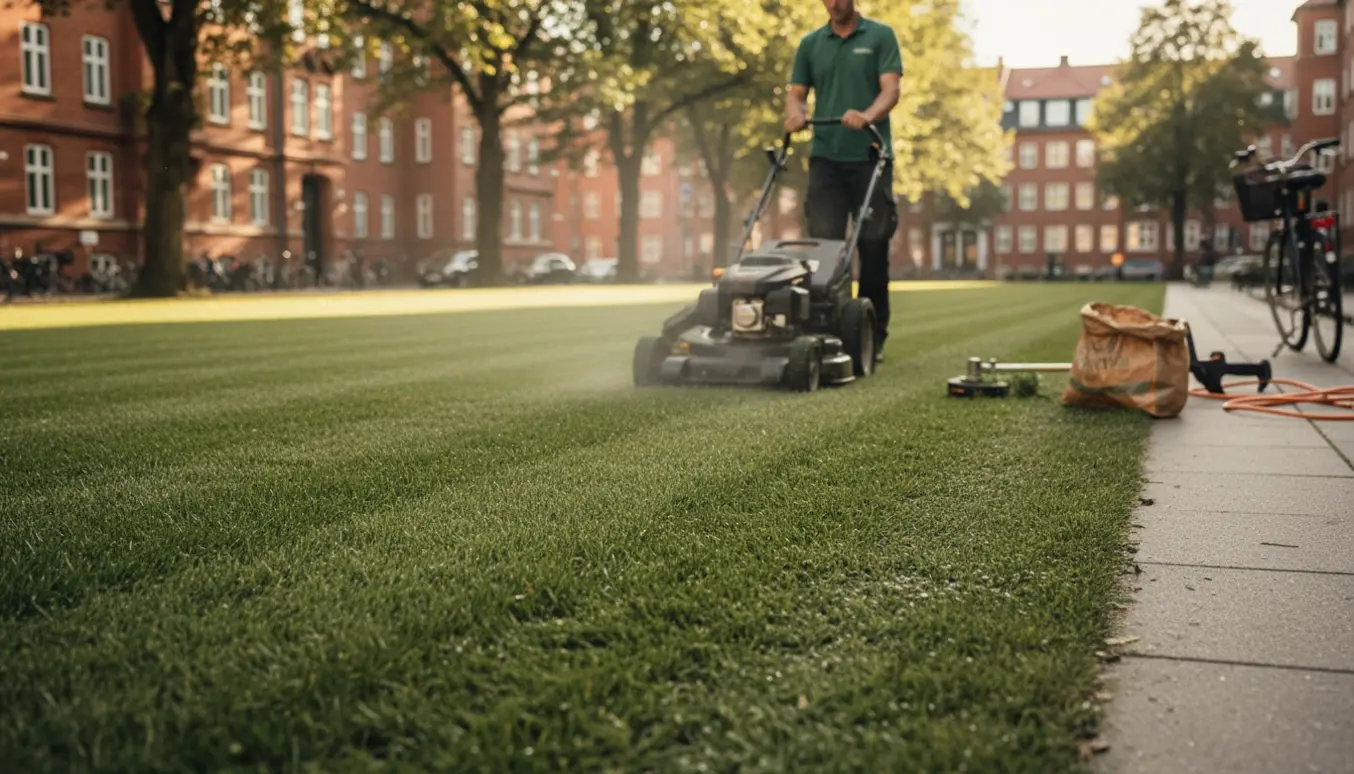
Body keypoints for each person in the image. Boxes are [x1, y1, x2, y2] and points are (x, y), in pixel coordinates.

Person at [785, 0, 902, 363]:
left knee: (871, 248)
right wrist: (796, 115)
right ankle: (827, 330)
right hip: (826, 159)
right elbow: (796, 94)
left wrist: (866, 115)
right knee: (824, 251)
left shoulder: (880, 36)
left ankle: (871, 334)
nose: (834, 3)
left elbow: (891, 90)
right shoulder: (811, 44)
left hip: (870, 157)